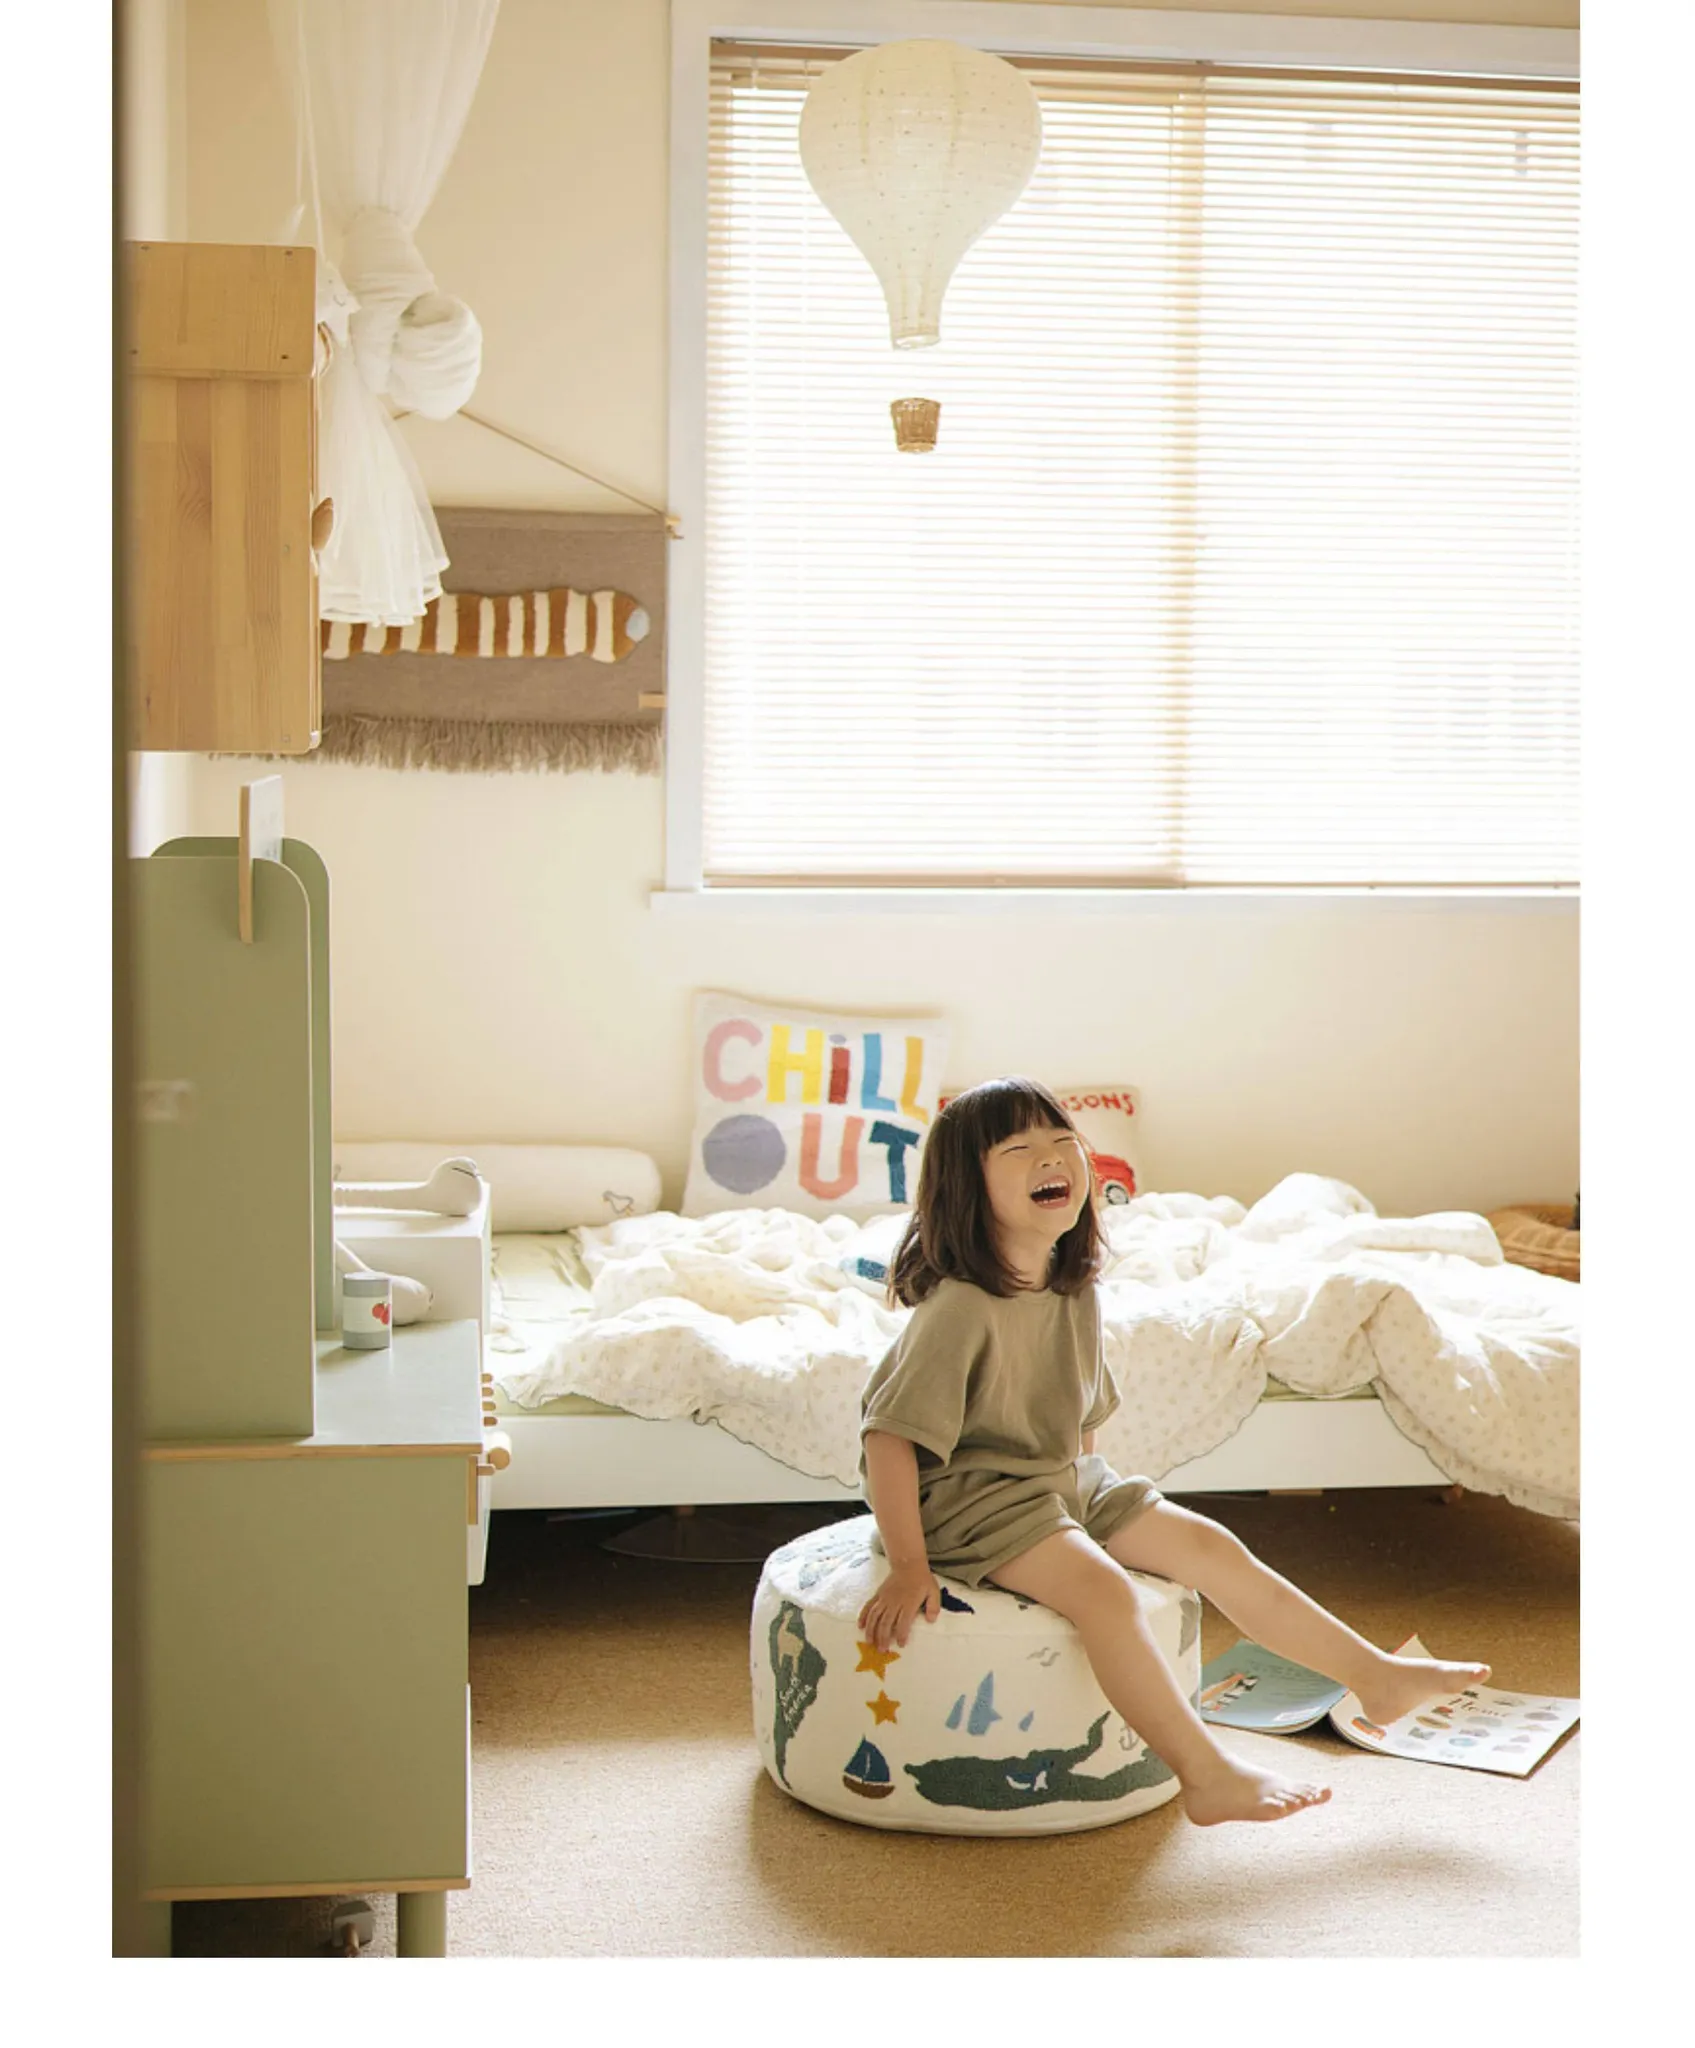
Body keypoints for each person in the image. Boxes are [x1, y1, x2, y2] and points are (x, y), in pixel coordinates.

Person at [857, 1078, 1491, 1828]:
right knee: (1105, 1592)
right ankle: (1206, 1773)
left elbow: (1079, 1422)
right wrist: (909, 1565)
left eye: (1062, 1143)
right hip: (970, 1500)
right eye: (1019, 1149)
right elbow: (887, 1438)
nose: (1051, 1158)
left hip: (1055, 1482)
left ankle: (1373, 1675)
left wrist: (1086, 1512)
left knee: (1209, 1546)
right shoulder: (960, 1308)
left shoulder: (1071, 1289)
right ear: (968, 1187)